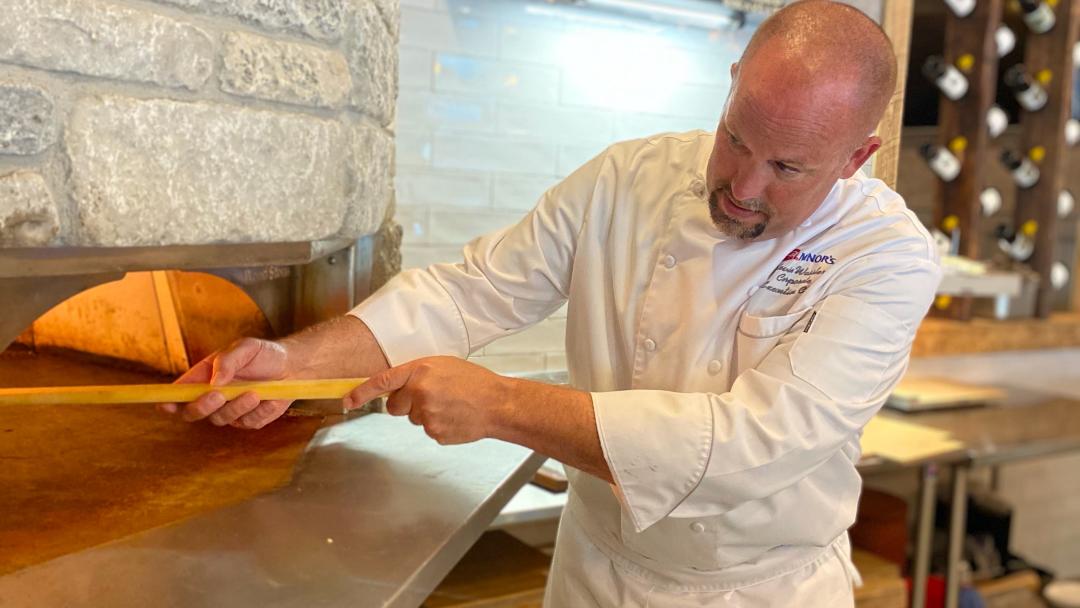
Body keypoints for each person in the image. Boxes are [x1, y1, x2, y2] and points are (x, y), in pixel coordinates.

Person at [161, 1, 941, 605]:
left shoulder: (888, 258)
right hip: (594, 574)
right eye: (736, 138)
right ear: (732, 81)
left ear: (856, 158)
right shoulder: (624, 180)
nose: (743, 186)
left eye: (787, 168)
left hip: (760, 591)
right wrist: (295, 364)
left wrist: (499, 404)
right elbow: (470, 293)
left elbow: (751, 445)